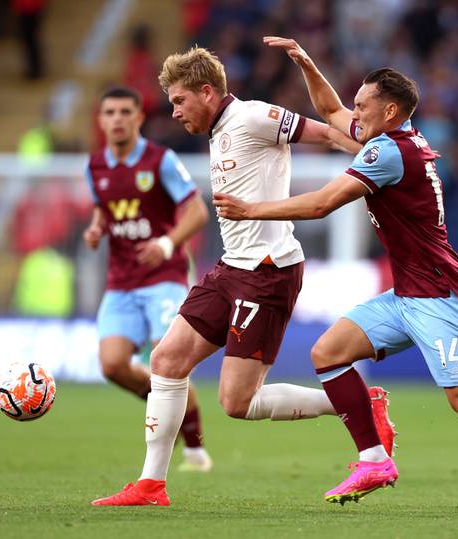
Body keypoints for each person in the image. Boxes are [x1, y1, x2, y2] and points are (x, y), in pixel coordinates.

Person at [213, 36, 458, 517]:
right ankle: (374, 459)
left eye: (364, 105)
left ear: (390, 111)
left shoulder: (388, 153)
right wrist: (307, 63)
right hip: (408, 293)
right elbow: (331, 111)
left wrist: (252, 209)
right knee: (329, 353)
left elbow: (320, 204)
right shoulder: (387, 138)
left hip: (441, 296)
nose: (354, 113)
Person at [91, 47, 394, 507]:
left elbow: (329, 135)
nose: (174, 112)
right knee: (166, 360)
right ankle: (150, 485)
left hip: (268, 272)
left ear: (207, 92)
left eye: (179, 101)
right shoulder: (219, 129)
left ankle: (357, 402)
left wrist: (385, 163)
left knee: (238, 403)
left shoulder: (252, 117)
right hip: (232, 266)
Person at [83, 86, 213, 473]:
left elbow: (197, 212)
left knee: (167, 361)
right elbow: (103, 210)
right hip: (121, 281)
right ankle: (166, 408)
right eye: (110, 112)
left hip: (163, 276)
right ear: (101, 120)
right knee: (112, 365)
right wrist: (95, 229)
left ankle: (194, 448)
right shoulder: (95, 166)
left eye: (126, 111)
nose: (117, 119)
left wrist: (167, 242)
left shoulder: (160, 160)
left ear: (139, 117)